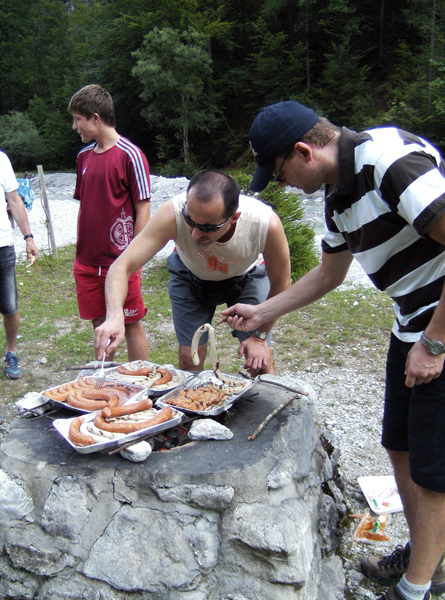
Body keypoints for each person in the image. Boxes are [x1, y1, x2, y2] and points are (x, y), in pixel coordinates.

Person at [221, 100, 445, 600]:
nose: (281, 185)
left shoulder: (389, 163)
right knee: (399, 445)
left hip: (438, 326)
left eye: (278, 173)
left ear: (304, 150)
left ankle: (417, 588)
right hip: (411, 322)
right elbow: (329, 273)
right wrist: (264, 313)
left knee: (433, 467)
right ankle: (428, 553)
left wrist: (435, 342)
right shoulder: (338, 195)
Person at [94, 169, 291, 377]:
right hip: (190, 276)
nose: (195, 234)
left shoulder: (264, 224)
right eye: (190, 221)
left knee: (260, 361)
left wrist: (260, 337)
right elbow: (121, 266)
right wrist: (115, 316)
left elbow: (282, 283)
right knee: (189, 359)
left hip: (247, 277)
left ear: (234, 218)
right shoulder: (172, 213)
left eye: (207, 228)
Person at [68, 84, 151, 363]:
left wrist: (135, 259)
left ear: (95, 118)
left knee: (131, 324)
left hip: (121, 261)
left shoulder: (131, 154)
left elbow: (143, 209)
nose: (74, 126)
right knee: (99, 324)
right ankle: (107, 386)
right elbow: (87, 207)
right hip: (87, 261)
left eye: (77, 119)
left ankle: (141, 383)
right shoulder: (83, 157)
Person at [0, 149, 39, 387]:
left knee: (10, 306)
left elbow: (14, 199)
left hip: (1, 243)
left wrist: (28, 238)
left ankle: (11, 352)